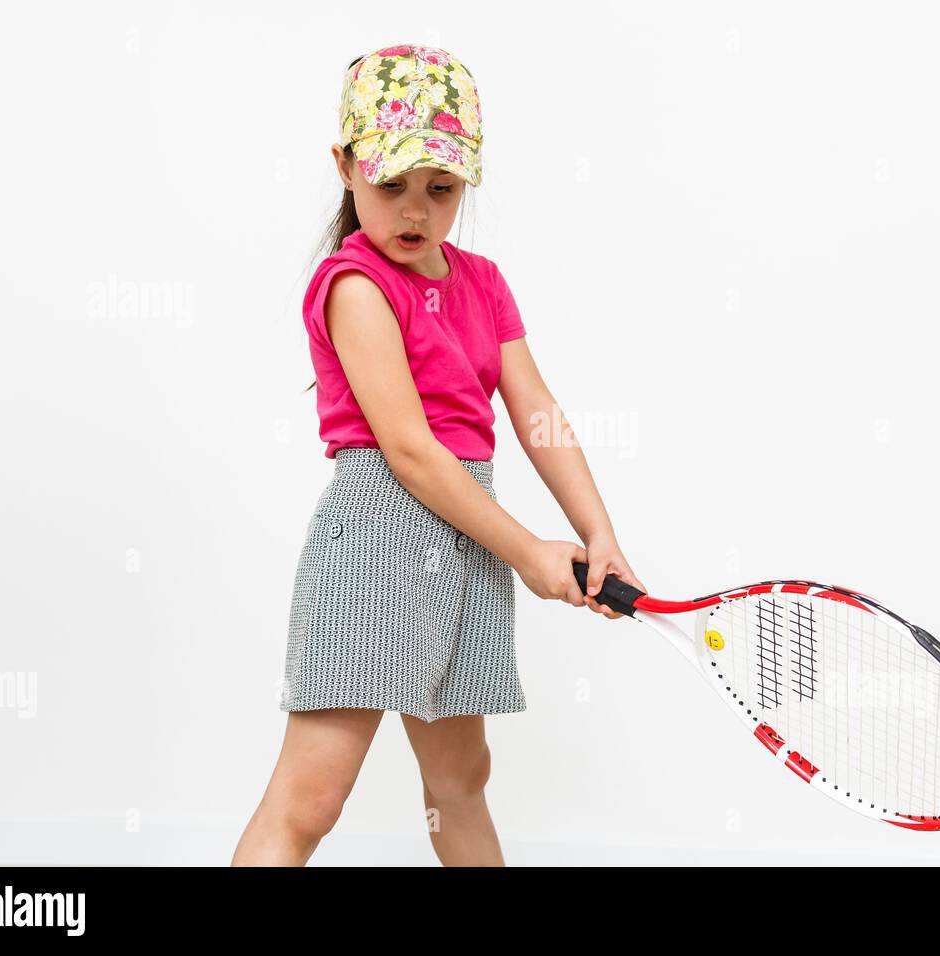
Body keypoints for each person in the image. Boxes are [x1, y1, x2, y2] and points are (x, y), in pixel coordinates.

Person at [232, 44, 644, 867]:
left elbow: (537, 414)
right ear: (345, 166)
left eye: (442, 188)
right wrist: (527, 549)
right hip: (378, 538)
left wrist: (599, 533)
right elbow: (412, 453)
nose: (415, 211)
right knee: (312, 797)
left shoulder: (483, 282)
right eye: (391, 185)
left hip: (471, 541)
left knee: (461, 778)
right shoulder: (354, 286)